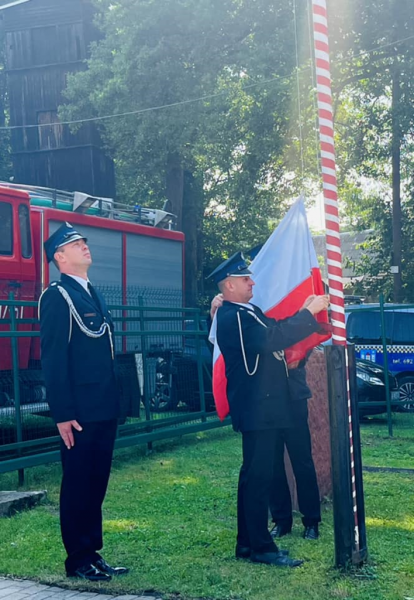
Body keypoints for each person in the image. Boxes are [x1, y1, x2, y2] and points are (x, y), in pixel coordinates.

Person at [208, 252, 329, 567]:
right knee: (258, 479)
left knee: (253, 477)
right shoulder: (233, 315)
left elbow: (273, 326)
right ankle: (261, 547)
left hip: (265, 408)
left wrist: (303, 314)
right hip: (258, 409)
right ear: (230, 286)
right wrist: (307, 314)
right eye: (246, 278)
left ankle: (248, 543)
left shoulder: (247, 311)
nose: (253, 282)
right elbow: (270, 338)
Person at [39, 223, 129, 582]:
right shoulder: (57, 296)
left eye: (84, 242)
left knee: (97, 482)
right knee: (78, 482)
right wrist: (62, 413)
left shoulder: (91, 291)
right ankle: (77, 558)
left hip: (102, 404)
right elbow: (53, 358)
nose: (84, 246)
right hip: (78, 411)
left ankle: (93, 551)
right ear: (60, 257)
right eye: (76, 244)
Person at [268, 349, 321, 540]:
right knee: (273, 463)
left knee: (302, 462)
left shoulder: (293, 317)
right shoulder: (262, 319)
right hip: (268, 397)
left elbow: (306, 339)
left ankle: (312, 521)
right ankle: (281, 520)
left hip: (294, 396)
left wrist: (298, 356)